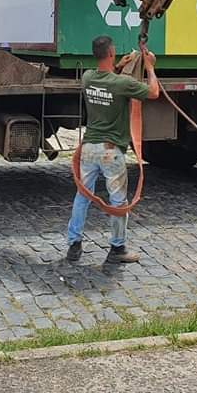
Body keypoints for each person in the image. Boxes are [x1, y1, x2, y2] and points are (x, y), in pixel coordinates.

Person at [66, 35, 160, 264]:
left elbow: (105, 78)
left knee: (83, 196)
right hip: (111, 152)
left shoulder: (87, 77)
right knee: (118, 202)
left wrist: (118, 66)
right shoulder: (122, 84)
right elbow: (154, 92)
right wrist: (150, 67)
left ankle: (73, 245)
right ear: (111, 53)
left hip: (88, 149)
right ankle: (117, 249)